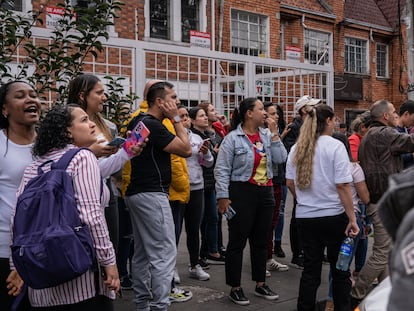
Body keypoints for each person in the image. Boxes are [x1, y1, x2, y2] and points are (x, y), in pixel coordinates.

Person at [12, 104, 120, 309]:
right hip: (81, 279)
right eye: (84, 120)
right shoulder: (82, 157)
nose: (91, 124)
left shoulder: (34, 166)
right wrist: (109, 261)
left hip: (42, 280)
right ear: (67, 131)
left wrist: (16, 266)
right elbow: (91, 216)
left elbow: (16, 220)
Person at [124, 81, 191, 311]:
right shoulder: (153, 124)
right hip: (152, 194)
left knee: (142, 252)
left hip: (136, 193)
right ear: (160, 101)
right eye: (172, 97)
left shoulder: (137, 121)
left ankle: (142, 304)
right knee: (164, 252)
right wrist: (177, 119)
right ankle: (160, 305)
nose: (177, 102)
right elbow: (186, 149)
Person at [285, 104, 359, 311]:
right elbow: (343, 185)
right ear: (328, 121)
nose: (336, 123)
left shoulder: (296, 148)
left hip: (305, 217)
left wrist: (305, 200)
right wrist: (352, 218)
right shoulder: (335, 146)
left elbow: (290, 183)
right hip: (334, 216)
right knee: (341, 270)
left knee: (310, 270)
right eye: (334, 119)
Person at [215, 97, 287, 306]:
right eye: (261, 109)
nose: (265, 113)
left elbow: (281, 158)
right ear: (249, 113)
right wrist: (223, 197)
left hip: (265, 192)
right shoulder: (233, 139)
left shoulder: (266, 135)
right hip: (241, 192)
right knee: (237, 241)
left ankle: (260, 283)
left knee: (261, 240)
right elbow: (221, 170)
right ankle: (235, 287)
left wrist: (274, 134)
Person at [351, 99, 414, 307]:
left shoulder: (369, 135)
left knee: (387, 250)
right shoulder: (387, 134)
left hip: (375, 199)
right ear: (385, 116)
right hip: (383, 200)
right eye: (394, 112)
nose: (396, 115)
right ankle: (357, 291)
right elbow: (410, 143)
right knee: (381, 252)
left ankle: (386, 288)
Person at [0, 81, 40, 311]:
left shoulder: (51, 143)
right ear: (5, 109)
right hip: (6, 251)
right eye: (20, 96)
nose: (30, 99)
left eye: (33, 95)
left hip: (46, 251)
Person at [324, 132, 370, 311]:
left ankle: (330, 301)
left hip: (328, 215)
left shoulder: (322, 166)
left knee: (336, 261)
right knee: (343, 262)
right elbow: (365, 196)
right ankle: (336, 302)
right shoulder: (353, 168)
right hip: (350, 218)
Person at [284, 95, 321, 269]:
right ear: (303, 110)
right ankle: (297, 253)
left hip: (311, 176)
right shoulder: (294, 127)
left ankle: (313, 251)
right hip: (299, 177)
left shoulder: (315, 126)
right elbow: (289, 152)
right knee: (297, 218)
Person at [184, 107, 214, 280]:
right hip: (178, 188)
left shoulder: (196, 138)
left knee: (194, 229)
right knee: (174, 230)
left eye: (187, 116)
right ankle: (171, 268)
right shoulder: (172, 136)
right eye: (182, 117)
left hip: (197, 187)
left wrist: (207, 153)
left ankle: (194, 265)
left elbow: (208, 163)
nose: (186, 120)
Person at [198, 102, 226, 265]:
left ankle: (214, 249)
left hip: (213, 180)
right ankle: (205, 252)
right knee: (204, 219)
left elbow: (225, 141)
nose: (215, 112)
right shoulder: (198, 135)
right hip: (204, 180)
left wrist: (224, 124)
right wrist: (214, 154)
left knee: (214, 217)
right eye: (210, 111)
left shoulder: (215, 130)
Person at [263, 102, 289, 275]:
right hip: (265, 183)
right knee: (264, 224)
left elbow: (281, 157)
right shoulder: (263, 134)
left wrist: (277, 135)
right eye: (272, 113)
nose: (277, 116)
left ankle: (269, 257)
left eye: (277, 113)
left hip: (278, 180)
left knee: (273, 221)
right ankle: (261, 259)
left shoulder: (274, 133)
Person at [395, 100, 414, 168]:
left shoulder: (406, 129)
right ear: (406, 114)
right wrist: (411, 155)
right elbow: (393, 156)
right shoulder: (393, 132)